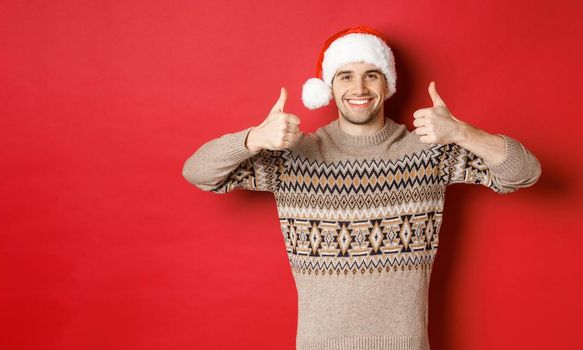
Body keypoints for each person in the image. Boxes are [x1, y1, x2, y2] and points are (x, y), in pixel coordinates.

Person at [181, 25, 541, 350]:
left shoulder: (429, 152)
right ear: (328, 88)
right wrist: (253, 139)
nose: (359, 88)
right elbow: (198, 172)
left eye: (372, 75)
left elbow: (524, 172)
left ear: (387, 85)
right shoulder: (292, 158)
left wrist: (462, 132)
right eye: (345, 76)